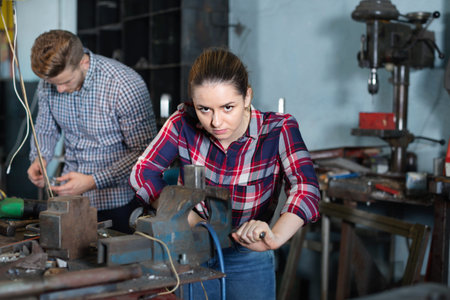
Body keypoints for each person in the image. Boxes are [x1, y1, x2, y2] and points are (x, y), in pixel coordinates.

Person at [129, 47, 320, 299]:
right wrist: (187, 217)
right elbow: (142, 173)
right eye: (204, 109)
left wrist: (275, 237)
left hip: (248, 255)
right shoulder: (181, 123)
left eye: (227, 107)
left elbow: (306, 187)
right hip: (190, 251)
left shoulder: (279, 129)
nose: (216, 122)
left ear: (247, 97)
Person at [27, 30, 157, 233]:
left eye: (65, 82)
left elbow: (145, 153)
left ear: (83, 63)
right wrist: (40, 158)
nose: (58, 90)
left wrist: (93, 181)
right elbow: (45, 127)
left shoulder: (124, 85)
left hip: (118, 203)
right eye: (54, 84)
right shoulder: (49, 82)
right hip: (70, 201)